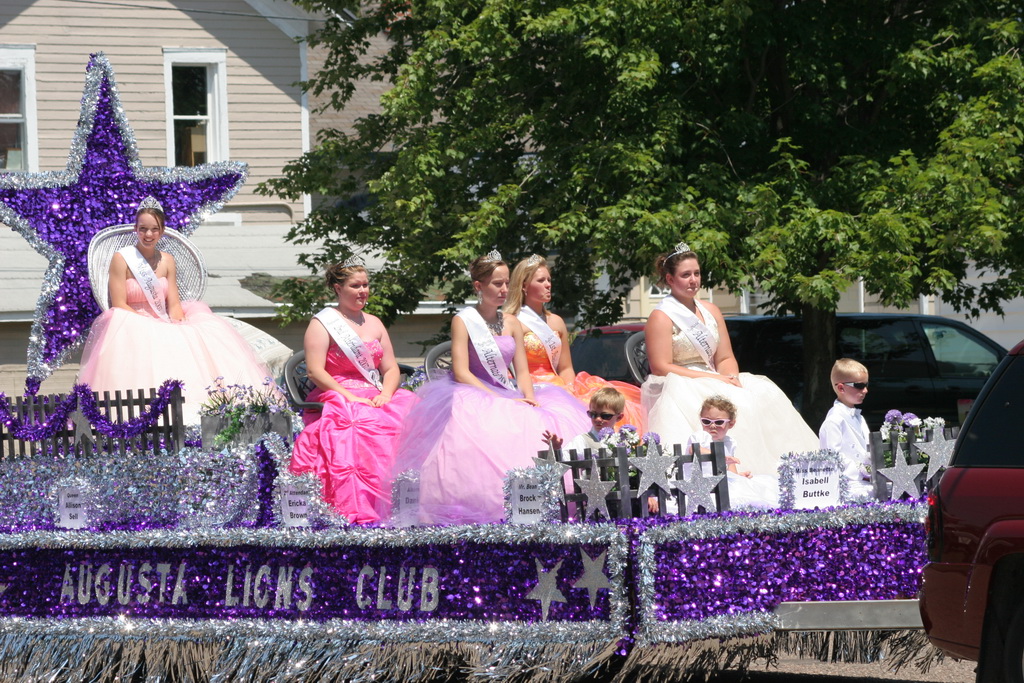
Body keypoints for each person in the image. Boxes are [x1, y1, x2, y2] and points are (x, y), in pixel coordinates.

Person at [392, 250, 590, 525]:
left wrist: (529, 398)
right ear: (478, 286)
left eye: (507, 283)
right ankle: (485, 504)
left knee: (540, 420)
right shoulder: (464, 320)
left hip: (509, 391)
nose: (504, 289)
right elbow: (461, 372)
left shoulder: (511, 322)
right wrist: (497, 397)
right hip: (472, 391)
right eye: (497, 284)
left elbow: (522, 370)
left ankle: (540, 503)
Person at [78, 196, 275, 422]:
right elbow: (119, 303)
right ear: (136, 229)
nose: (148, 235)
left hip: (162, 320)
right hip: (131, 324)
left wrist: (178, 323)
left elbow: (173, 303)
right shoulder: (122, 259)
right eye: (143, 229)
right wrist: (150, 326)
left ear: (161, 231)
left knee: (201, 336)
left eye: (154, 229)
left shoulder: (168, 260)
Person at [641, 242, 818, 475]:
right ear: (670, 279)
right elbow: (661, 366)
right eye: (685, 275)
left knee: (764, 392)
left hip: (715, 376)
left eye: (696, 273)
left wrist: (730, 377)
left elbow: (724, 356)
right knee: (739, 403)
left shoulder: (711, 310)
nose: (693, 280)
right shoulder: (661, 316)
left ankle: (793, 469)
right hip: (680, 380)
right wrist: (713, 379)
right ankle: (737, 471)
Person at [288, 262, 419, 524]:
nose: (363, 291)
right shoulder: (322, 323)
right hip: (336, 392)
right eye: (355, 286)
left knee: (413, 415)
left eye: (365, 285)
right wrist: (349, 396)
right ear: (338, 288)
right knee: (360, 419)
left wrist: (387, 394)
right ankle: (362, 505)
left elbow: (391, 368)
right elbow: (315, 371)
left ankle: (408, 501)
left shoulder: (375, 322)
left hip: (374, 392)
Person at [505, 255, 646, 431]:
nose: (548, 284)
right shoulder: (512, 322)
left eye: (549, 279)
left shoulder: (556, 321)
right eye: (541, 280)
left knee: (616, 402)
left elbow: (565, 368)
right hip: (531, 387)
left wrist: (571, 390)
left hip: (560, 385)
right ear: (524, 285)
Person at [684, 396, 780, 509]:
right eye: (706, 421)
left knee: (756, 487)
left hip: (720, 481)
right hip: (699, 483)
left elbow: (731, 470)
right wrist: (719, 456)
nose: (712, 425)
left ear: (731, 424)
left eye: (719, 422)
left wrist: (738, 477)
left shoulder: (728, 442)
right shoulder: (701, 436)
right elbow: (694, 449)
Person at [819, 358, 873, 500]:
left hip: (865, 481)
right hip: (845, 487)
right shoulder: (833, 421)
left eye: (866, 385)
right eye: (859, 386)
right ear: (841, 388)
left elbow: (867, 448)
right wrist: (863, 471)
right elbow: (831, 458)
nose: (865, 390)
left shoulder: (859, 417)